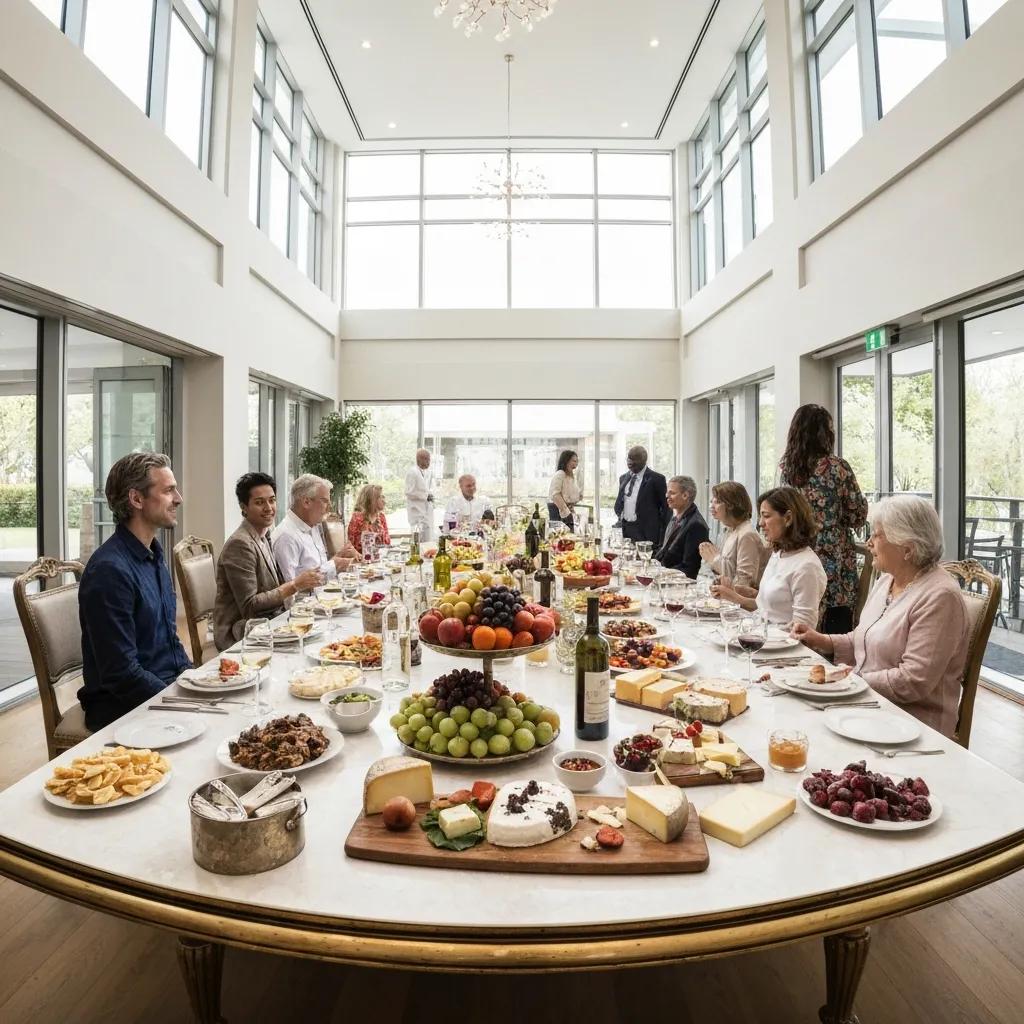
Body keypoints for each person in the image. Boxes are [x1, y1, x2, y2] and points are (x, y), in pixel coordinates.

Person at [791, 496, 968, 737]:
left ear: (907, 548)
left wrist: (852, 679)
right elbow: (866, 637)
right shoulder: (887, 580)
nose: (868, 543)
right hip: (869, 706)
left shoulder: (940, 597)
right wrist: (821, 640)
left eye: (877, 535)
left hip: (912, 726)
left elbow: (912, 680)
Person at [77, 452, 192, 730]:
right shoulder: (109, 571)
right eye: (167, 490)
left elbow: (170, 641)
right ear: (136, 499)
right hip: (123, 707)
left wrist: (195, 681)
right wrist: (183, 702)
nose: (178, 498)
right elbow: (121, 673)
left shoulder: (153, 553)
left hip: (163, 689)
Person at [779, 403, 868, 634]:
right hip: (833, 551)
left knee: (801, 609)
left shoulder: (787, 470)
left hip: (798, 548)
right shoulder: (837, 468)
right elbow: (857, 513)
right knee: (836, 617)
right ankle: (832, 661)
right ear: (824, 433)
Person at [214, 473, 324, 651]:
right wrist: (295, 585)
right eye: (259, 502)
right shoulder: (240, 544)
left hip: (267, 623)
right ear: (244, 507)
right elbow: (250, 606)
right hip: (240, 633)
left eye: (272, 500)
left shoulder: (264, 535)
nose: (269, 508)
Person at [713, 487, 826, 628]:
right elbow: (766, 611)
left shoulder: (807, 566)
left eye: (766, 516)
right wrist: (733, 594)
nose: (760, 523)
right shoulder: (779, 554)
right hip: (763, 636)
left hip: (782, 647)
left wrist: (734, 598)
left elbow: (802, 630)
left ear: (788, 518)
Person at [273, 473, 358, 583]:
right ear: (306, 502)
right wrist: (335, 564)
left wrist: (339, 557)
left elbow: (317, 568)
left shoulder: (312, 526)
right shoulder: (286, 537)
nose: (329, 507)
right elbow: (290, 590)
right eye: (325, 501)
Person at [698, 481, 768, 589]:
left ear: (731, 504)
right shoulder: (728, 531)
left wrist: (714, 560)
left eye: (717, 502)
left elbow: (744, 583)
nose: (711, 506)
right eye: (711, 502)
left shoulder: (747, 535)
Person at [654, 476, 709, 578]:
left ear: (685, 495)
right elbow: (663, 550)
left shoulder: (696, 526)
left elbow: (689, 569)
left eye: (672, 493)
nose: (667, 496)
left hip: (677, 585)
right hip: (662, 576)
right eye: (667, 492)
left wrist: (659, 572)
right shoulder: (674, 518)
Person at [613, 445, 669, 546]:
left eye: (634, 460)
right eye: (629, 459)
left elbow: (666, 508)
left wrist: (663, 533)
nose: (630, 463)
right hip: (627, 529)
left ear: (644, 461)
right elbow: (621, 500)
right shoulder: (623, 478)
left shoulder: (657, 479)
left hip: (647, 532)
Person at [348, 483, 391, 554]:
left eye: (384, 497)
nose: (384, 501)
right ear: (371, 500)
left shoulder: (381, 517)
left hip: (380, 560)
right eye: (381, 497)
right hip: (362, 561)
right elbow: (352, 546)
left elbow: (387, 543)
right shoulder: (357, 518)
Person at [404, 448, 436, 542]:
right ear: (420, 459)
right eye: (427, 459)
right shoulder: (412, 472)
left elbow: (425, 490)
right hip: (417, 515)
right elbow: (408, 492)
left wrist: (429, 496)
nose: (429, 462)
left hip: (426, 514)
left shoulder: (426, 473)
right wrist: (426, 496)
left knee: (428, 542)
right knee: (417, 543)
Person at [548, 449, 582, 531]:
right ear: (566, 461)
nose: (576, 464)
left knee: (569, 538)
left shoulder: (570, 477)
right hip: (558, 511)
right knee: (559, 538)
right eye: (573, 461)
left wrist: (578, 497)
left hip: (566, 511)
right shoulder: (560, 474)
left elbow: (570, 495)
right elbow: (555, 495)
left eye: (577, 461)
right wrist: (566, 512)